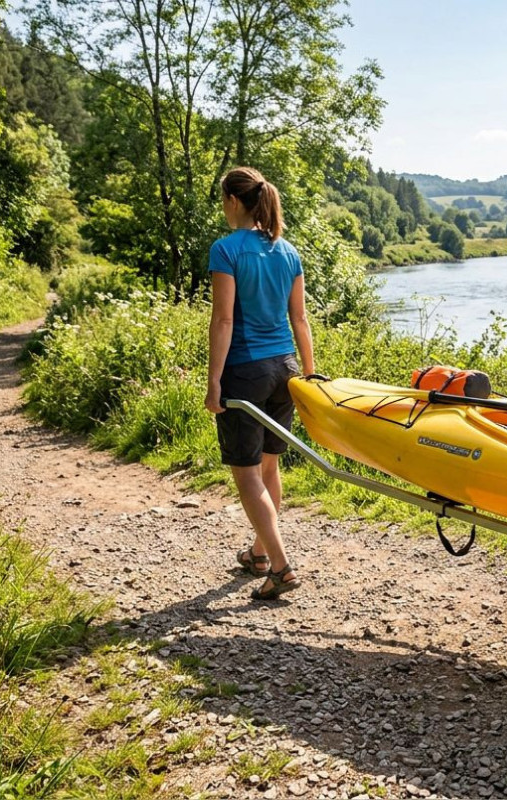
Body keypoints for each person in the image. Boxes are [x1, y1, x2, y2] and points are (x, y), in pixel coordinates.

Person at [205, 166, 314, 600]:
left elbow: (224, 320)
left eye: (223, 200)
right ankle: (259, 555)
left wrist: (214, 382)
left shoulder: (226, 250)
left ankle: (281, 567)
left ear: (233, 201)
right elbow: (300, 319)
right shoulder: (287, 252)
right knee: (270, 467)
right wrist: (309, 373)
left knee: (248, 474)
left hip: (246, 371)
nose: (223, 207)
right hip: (285, 369)